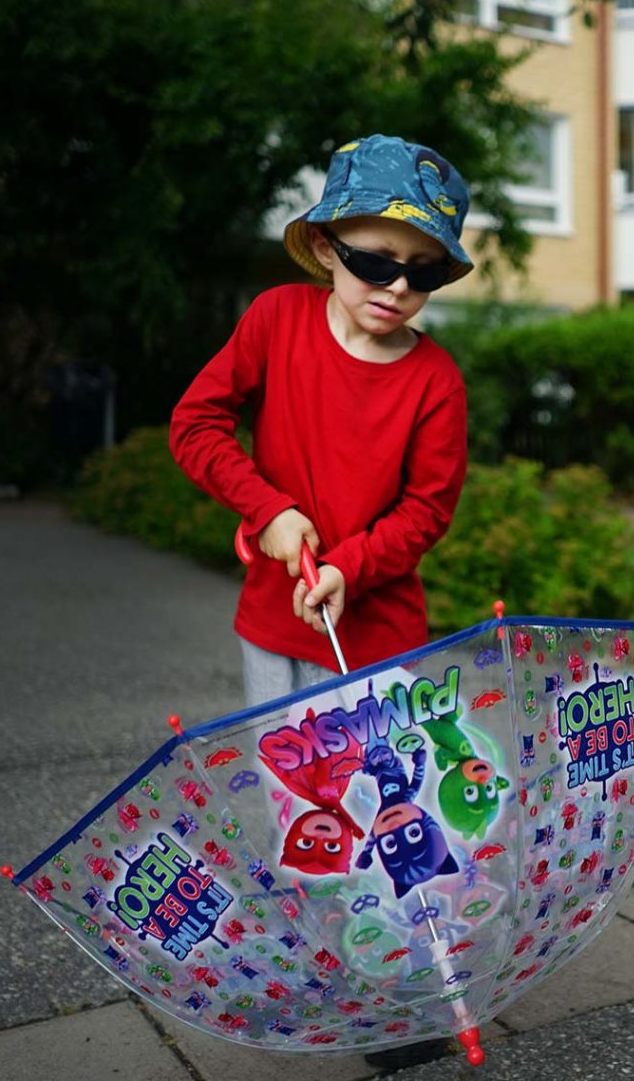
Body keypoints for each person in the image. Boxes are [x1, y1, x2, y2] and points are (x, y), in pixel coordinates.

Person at [170, 134, 472, 705]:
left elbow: (427, 510)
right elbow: (195, 424)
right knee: (286, 788)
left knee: (377, 792)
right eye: (377, 261)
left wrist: (347, 568)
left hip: (376, 637)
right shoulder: (275, 318)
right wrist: (268, 511)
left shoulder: (437, 381)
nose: (400, 286)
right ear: (325, 245)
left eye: (424, 273)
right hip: (271, 617)